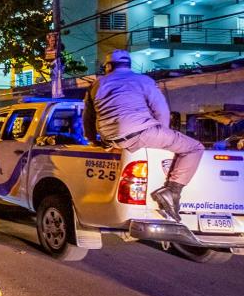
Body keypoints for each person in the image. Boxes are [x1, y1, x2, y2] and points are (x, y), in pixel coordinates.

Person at [83, 49, 204, 221]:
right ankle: (172, 191)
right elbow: (161, 110)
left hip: (110, 139)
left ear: (109, 66)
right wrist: (162, 135)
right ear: (129, 65)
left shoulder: (96, 85)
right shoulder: (144, 81)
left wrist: (93, 140)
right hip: (141, 133)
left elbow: (88, 117)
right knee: (195, 147)